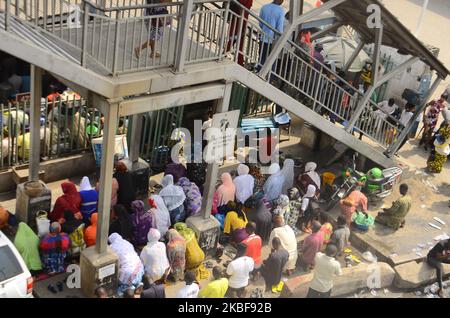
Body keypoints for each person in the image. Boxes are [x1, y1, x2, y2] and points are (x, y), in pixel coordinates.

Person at [258, 0, 285, 69]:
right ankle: (269, 77)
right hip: (273, 40)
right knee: (271, 60)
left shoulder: (264, 7)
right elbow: (279, 29)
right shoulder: (280, 11)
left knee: (261, 58)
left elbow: (260, 24)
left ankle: (259, 72)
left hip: (263, 37)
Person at [226, 0, 253, 66]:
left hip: (239, 20)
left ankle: (239, 60)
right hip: (239, 21)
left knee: (235, 40)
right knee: (236, 40)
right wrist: (241, 25)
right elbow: (241, 9)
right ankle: (239, 61)